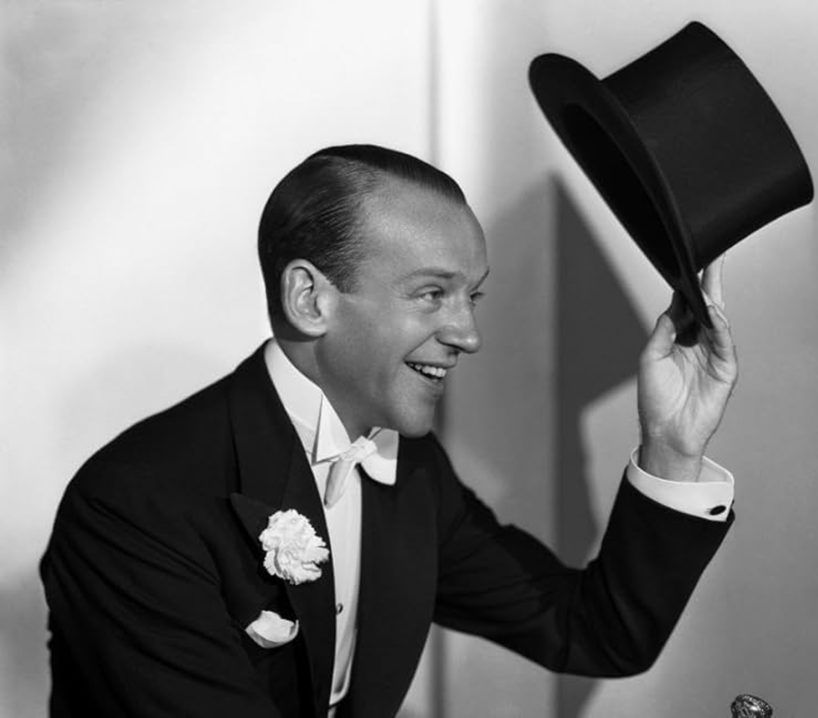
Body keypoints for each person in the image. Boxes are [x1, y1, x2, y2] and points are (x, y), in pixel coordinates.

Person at [41, 144, 738, 718]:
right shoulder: (135, 505)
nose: (468, 334)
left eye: (472, 296)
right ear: (310, 299)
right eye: (432, 294)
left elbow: (593, 633)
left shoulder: (413, 470)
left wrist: (672, 446)